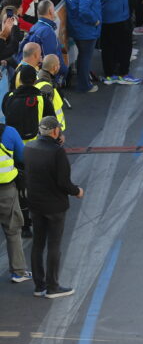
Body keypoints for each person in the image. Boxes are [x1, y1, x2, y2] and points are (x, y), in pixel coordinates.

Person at [23, 116, 82, 298]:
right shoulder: (57, 152)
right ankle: (53, 287)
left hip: (35, 204)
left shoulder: (29, 147)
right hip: (55, 206)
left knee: (38, 244)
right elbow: (63, 182)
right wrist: (77, 191)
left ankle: (39, 286)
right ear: (56, 131)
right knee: (54, 245)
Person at [93, 0, 139, 84]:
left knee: (107, 46)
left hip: (104, 16)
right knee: (125, 45)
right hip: (118, 16)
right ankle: (123, 73)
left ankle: (109, 73)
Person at [63, 0, 101, 93]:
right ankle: (84, 85)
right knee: (85, 57)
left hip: (77, 29)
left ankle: (83, 81)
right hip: (86, 31)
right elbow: (84, 11)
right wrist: (94, 21)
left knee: (82, 56)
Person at [0, 121, 29, 285]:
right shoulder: (9, 132)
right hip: (6, 190)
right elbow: (22, 157)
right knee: (12, 230)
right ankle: (18, 272)